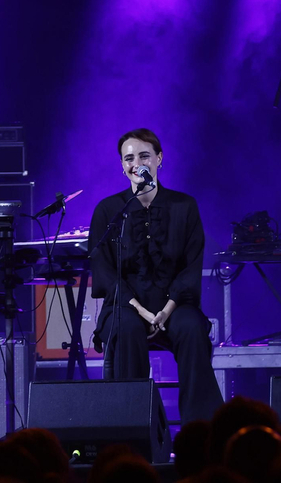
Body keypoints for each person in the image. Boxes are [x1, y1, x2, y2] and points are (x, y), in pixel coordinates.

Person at [88, 128, 224, 423]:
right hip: (127, 306)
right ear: (122, 167)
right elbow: (103, 270)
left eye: (144, 156)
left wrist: (165, 310)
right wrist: (138, 309)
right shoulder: (109, 210)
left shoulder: (184, 206)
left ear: (159, 159)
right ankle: (131, 428)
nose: (136, 163)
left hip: (173, 305)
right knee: (125, 330)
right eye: (129, 158)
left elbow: (191, 266)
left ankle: (200, 430)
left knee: (191, 330)